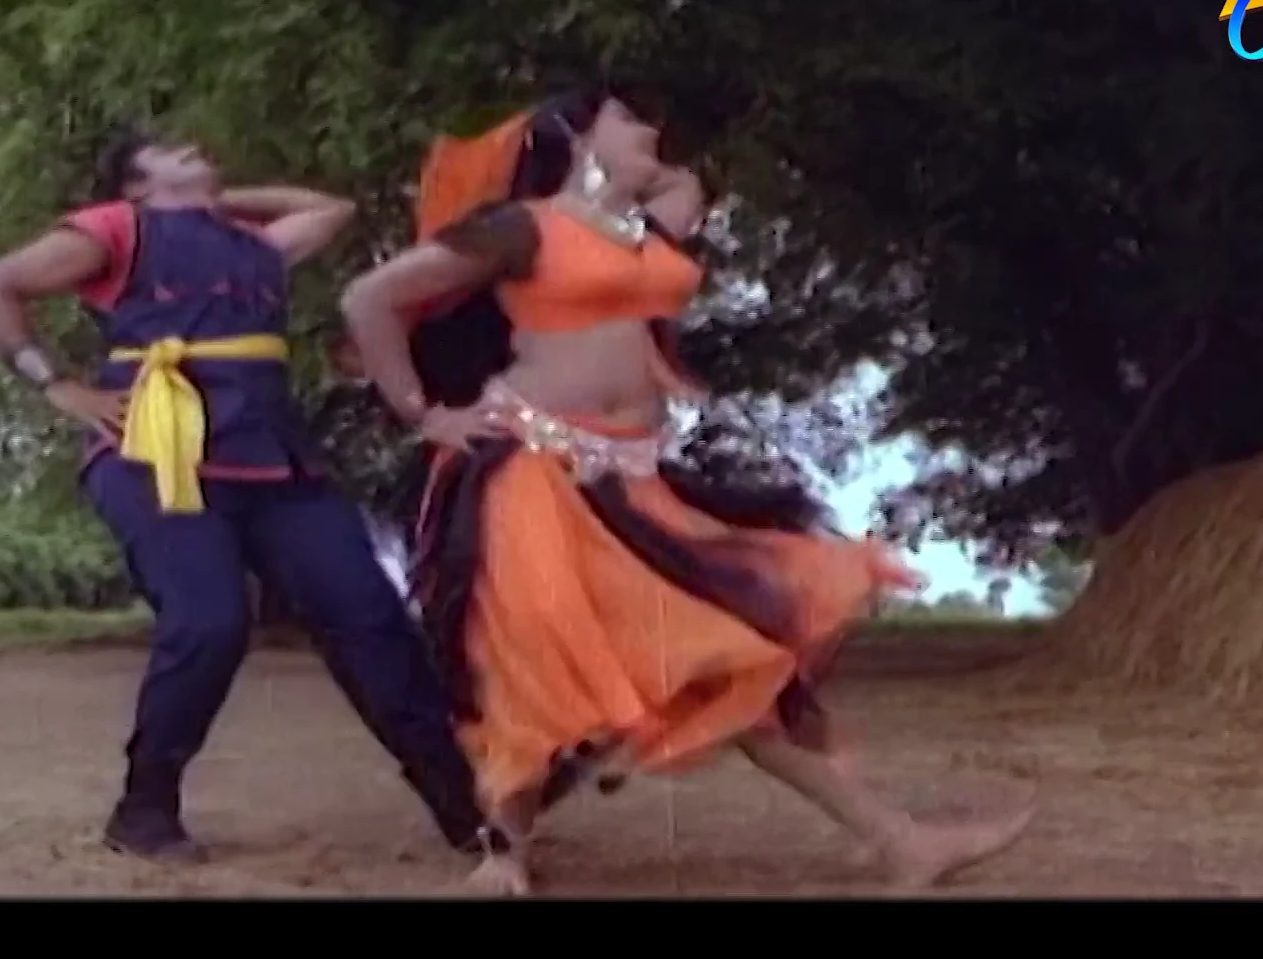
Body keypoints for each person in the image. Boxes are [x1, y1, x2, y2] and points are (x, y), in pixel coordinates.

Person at [337, 90, 1036, 895]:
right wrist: (424, 413)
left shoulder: (640, 230)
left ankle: (899, 843)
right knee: (538, 664)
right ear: (576, 136)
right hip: (533, 475)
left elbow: (683, 187)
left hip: (631, 482)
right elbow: (368, 299)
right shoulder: (523, 228)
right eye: (627, 119)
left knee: (727, 661)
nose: (651, 130)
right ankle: (505, 855)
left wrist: (624, 173)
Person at [0, 128, 490, 867]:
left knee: (369, 617)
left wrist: (210, 200)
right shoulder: (116, 228)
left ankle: (468, 813)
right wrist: (59, 385)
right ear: (134, 185)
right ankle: (144, 808)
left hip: (273, 458)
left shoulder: (254, 243)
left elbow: (330, 209)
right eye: (168, 152)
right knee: (209, 621)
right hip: (157, 454)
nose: (192, 148)